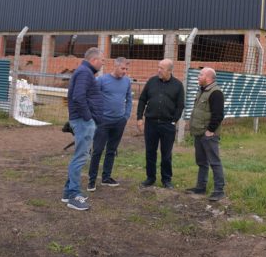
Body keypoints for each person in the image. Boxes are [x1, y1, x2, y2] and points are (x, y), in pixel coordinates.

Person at [61, 47, 103, 211]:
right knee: (80, 157)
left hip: (82, 120)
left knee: (80, 155)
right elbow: (78, 97)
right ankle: (73, 195)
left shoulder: (84, 72)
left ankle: (67, 192)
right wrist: (88, 118)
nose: (103, 63)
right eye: (102, 60)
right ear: (94, 60)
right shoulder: (85, 73)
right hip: (83, 121)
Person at [136, 58, 185, 188]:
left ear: (169, 70)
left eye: (161, 68)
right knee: (150, 152)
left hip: (167, 125)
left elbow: (180, 106)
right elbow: (142, 100)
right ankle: (150, 178)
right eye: (158, 67)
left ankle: (166, 179)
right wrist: (139, 117)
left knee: (166, 154)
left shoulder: (178, 85)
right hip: (151, 124)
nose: (158, 70)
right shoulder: (151, 82)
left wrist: (174, 121)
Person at [87, 56, 132, 191]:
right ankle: (92, 180)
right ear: (115, 66)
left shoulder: (127, 81)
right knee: (98, 150)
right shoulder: (101, 80)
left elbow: (129, 99)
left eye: (126, 69)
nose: (124, 71)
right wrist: (96, 115)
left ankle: (106, 177)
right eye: (122, 68)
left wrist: (126, 116)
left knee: (111, 150)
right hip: (103, 122)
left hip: (119, 121)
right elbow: (92, 97)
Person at [185, 67, 226, 201]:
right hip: (199, 133)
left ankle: (219, 190)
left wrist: (210, 130)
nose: (198, 77)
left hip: (208, 135)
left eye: (200, 75)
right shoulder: (202, 90)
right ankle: (200, 187)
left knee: (214, 162)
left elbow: (218, 114)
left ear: (208, 77)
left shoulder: (216, 93)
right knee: (202, 162)